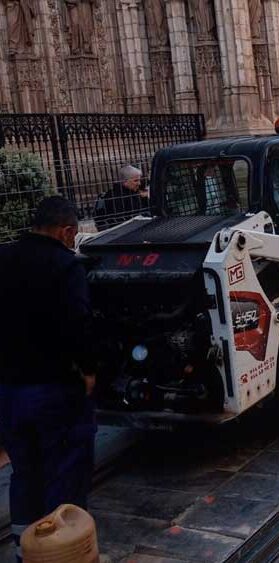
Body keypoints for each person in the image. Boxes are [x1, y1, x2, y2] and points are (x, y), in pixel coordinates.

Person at [0, 197, 96, 563]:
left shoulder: (4, 258)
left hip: (8, 390)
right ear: (66, 231)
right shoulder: (65, 266)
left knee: (25, 471)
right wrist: (88, 370)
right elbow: (78, 323)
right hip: (54, 388)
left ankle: (25, 548)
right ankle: (62, 551)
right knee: (64, 472)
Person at [94, 164, 149, 231]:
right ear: (125, 181)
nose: (139, 183)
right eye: (135, 181)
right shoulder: (116, 196)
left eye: (139, 180)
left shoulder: (134, 193)